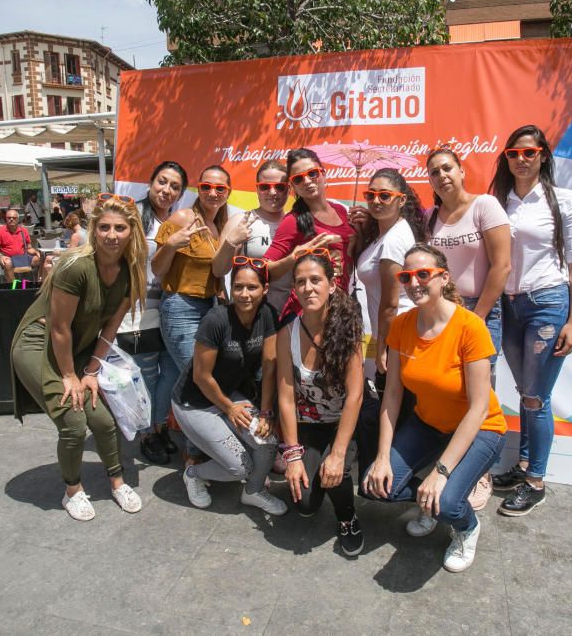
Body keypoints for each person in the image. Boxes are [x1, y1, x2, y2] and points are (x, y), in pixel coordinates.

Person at [363, 244, 507, 573]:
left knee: (448, 501)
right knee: (376, 485)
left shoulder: (470, 327)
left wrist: (439, 473)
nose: (414, 282)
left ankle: (465, 526)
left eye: (423, 274)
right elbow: (393, 395)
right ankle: (431, 503)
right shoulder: (401, 325)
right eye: (406, 276)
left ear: (443, 278)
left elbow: (479, 409)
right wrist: (383, 457)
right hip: (429, 424)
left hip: (481, 429)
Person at [10, 196, 147, 521]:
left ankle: (117, 482)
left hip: (80, 346)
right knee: (73, 422)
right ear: (93, 230)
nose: (112, 235)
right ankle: (72, 490)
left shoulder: (131, 272)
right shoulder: (76, 266)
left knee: (101, 417)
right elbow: (58, 328)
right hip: (38, 343)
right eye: (104, 227)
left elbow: (111, 328)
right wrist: (70, 376)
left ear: (132, 231)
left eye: (119, 228)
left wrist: (91, 371)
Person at [488, 125, 572, 517]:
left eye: (530, 152)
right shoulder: (498, 201)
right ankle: (525, 464)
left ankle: (536, 482)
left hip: (547, 303)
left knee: (536, 396)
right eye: (514, 153)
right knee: (525, 389)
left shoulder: (564, 201)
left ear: (544, 155)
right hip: (508, 307)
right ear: (507, 158)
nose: (522, 159)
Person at [425, 146, 512, 509]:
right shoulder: (431, 216)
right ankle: (448, 466)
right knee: (449, 392)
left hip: (479, 310)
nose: (442, 175)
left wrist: (478, 316)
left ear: (461, 170)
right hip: (442, 312)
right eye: (434, 171)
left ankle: (481, 473)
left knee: (481, 398)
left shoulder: (485, 206)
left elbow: (501, 267)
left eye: (447, 168)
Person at [173, 258, 287, 515]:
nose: (244, 294)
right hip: (195, 402)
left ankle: (254, 492)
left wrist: (267, 411)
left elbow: (269, 367)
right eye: (238, 287)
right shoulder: (216, 320)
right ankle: (193, 473)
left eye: (252, 287)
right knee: (241, 467)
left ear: (264, 289)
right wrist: (229, 408)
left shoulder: (267, 314)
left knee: (268, 441)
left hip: (228, 395)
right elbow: (201, 377)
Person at [277, 251, 366, 556]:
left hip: (344, 422)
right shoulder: (286, 333)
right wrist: (292, 455)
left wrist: (339, 454)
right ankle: (316, 481)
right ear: (294, 290)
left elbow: (355, 394)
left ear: (331, 285)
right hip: (308, 425)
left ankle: (347, 517)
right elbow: (286, 397)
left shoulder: (347, 328)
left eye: (316, 280)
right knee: (304, 504)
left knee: (334, 473)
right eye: (300, 282)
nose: (308, 287)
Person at [151, 165, 230, 466]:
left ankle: (162, 431)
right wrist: (170, 244)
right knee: (200, 381)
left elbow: (214, 271)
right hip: (181, 308)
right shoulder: (184, 218)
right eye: (207, 186)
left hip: (207, 307)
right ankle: (194, 459)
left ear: (227, 193)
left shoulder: (217, 224)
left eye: (220, 188)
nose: (213, 192)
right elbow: (158, 269)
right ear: (198, 188)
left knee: (177, 378)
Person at [352, 168, 426, 481]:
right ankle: (393, 472)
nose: (377, 200)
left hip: (399, 332)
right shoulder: (385, 232)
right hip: (395, 332)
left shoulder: (395, 238)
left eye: (385, 195)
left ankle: (402, 476)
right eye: (371, 195)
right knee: (394, 404)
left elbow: (391, 302)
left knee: (398, 406)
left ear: (401, 199)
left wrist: (382, 347)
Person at [117, 162, 188, 465]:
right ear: (150, 182)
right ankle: (147, 434)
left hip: (170, 310)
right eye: (162, 182)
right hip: (138, 311)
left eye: (175, 186)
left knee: (171, 374)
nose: (167, 190)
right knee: (145, 376)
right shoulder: (132, 218)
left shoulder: (175, 222)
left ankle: (158, 425)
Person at [264, 148, 356, 318]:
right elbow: (264, 269)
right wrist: (295, 256)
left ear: (323, 174)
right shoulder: (293, 220)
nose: (307, 181)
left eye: (312, 173)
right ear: (293, 187)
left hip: (340, 310)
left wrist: (361, 232)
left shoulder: (342, 211)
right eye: (298, 179)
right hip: (306, 315)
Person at [213, 160, 293, 312]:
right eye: (264, 187)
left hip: (290, 315)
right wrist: (231, 242)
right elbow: (218, 270)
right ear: (257, 189)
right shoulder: (241, 221)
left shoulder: (297, 223)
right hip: (250, 316)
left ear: (289, 189)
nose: (272, 192)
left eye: (280, 187)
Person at [0, 209, 41, 281]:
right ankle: (14, 287)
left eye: (14, 218)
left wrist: (36, 252)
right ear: (6, 219)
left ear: (18, 219)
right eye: (9, 218)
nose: (11, 219)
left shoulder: (23, 231)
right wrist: (1, 256)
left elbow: (29, 248)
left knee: (41, 258)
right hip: (9, 258)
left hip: (23, 258)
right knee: (7, 262)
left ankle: (38, 283)